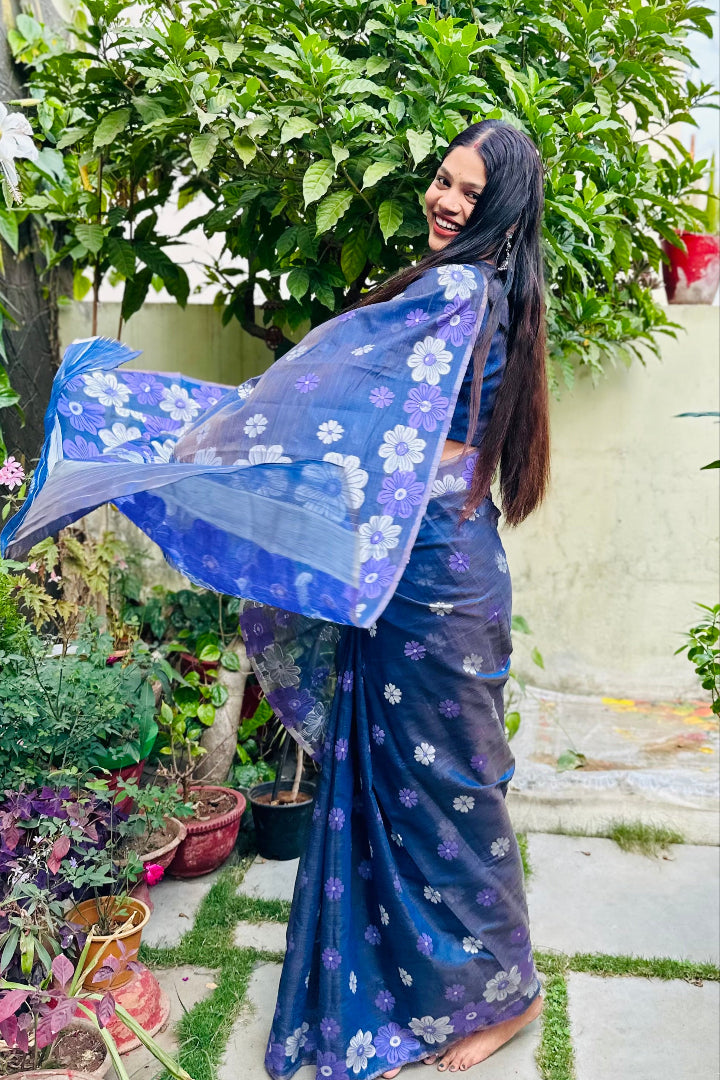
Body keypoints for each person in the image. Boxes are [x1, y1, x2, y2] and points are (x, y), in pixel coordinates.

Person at [2, 118, 550, 1079]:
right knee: (415, 794)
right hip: (429, 569)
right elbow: (345, 402)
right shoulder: (489, 294)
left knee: (449, 799)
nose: (445, 200)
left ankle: (509, 993)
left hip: (430, 584)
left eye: (470, 192)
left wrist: (203, 428)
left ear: (501, 211)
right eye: (442, 179)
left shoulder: (461, 292)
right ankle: (415, 985)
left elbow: (317, 395)